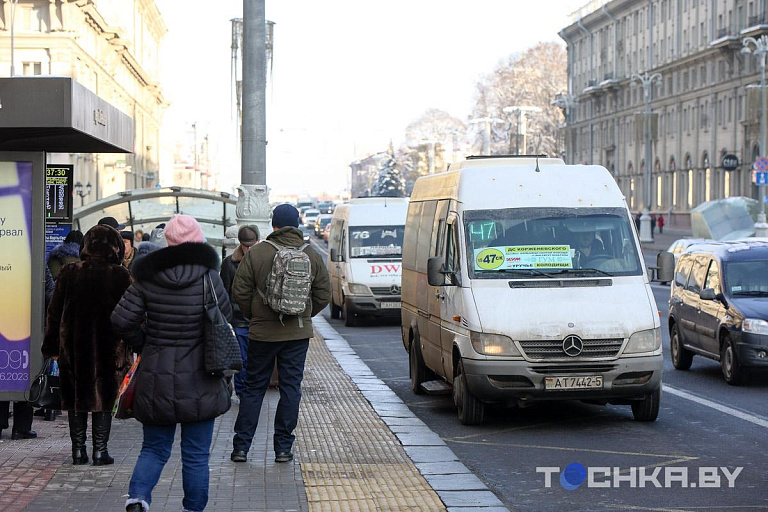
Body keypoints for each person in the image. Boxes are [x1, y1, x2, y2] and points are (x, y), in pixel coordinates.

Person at [111, 214, 232, 512]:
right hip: (202, 377)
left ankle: (138, 499)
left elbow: (120, 321)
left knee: (153, 448)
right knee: (195, 455)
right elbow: (225, 318)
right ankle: (193, 508)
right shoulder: (209, 277)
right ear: (198, 240)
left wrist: (145, 343)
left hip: (156, 377)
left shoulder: (147, 277)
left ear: (168, 241)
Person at [230, 204, 330, 464]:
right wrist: (303, 315)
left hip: (262, 335)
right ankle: (283, 448)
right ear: (296, 225)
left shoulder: (258, 252)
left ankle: (241, 447)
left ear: (273, 224)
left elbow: (238, 292)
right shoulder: (311, 254)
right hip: (297, 334)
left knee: (253, 388)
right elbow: (323, 295)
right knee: (290, 388)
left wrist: (256, 317)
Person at [42, 224, 133, 465]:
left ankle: (78, 451)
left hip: (73, 348)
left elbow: (54, 312)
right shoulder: (121, 276)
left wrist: (51, 348)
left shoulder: (70, 272)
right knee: (104, 397)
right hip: (110, 348)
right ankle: (100, 451)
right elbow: (133, 315)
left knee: (76, 397)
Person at [219, 225, 260, 398]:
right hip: (238, 320)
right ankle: (243, 392)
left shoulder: (264, 261)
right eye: (245, 245)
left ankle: (252, 391)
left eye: (251, 244)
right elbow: (224, 293)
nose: (248, 248)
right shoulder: (229, 263)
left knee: (256, 361)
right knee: (242, 360)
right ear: (240, 244)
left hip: (259, 321)